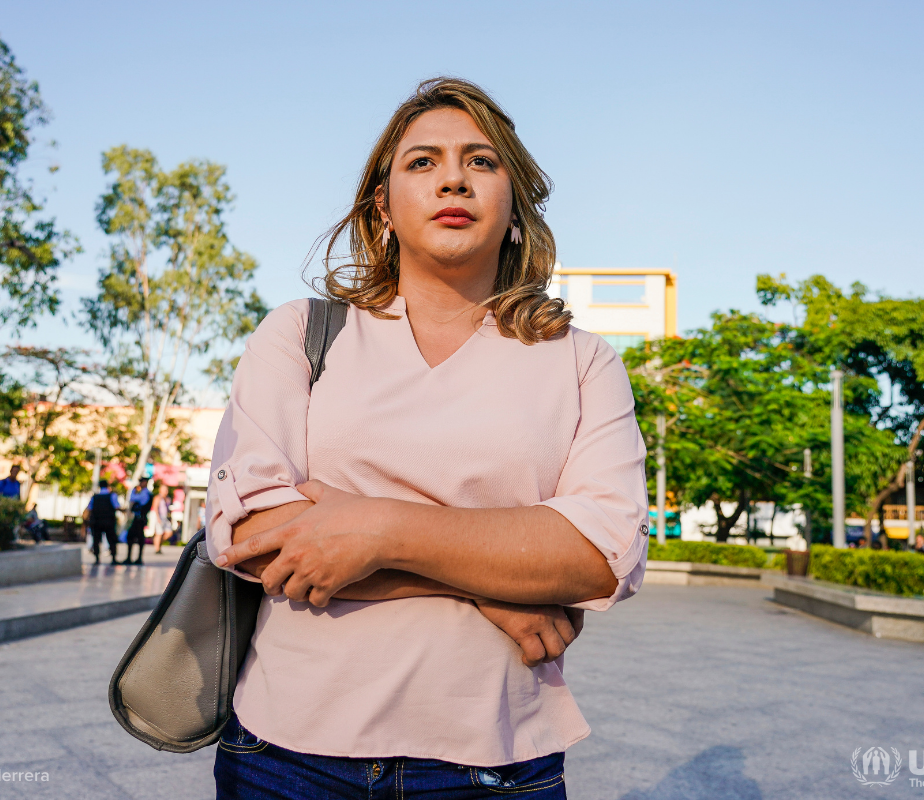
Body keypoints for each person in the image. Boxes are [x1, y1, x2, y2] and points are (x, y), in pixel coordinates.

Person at [205, 78, 647, 799]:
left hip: (496, 762)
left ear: (513, 205)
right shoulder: (302, 334)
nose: (452, 178)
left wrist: (372, 526)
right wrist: (492, 583)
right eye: (422, 162)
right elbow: (252, 530)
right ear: (383, 207)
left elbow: (601, 557)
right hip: (285, 755)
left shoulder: (579, 360)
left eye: (481, 161)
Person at [85, 479, 121, 565]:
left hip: (96, 522)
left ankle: (97, 559)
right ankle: (113, 558)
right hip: (109, 521)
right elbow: (116, 506)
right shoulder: (112, 495)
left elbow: (89, 508)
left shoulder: (95, 497)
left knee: (96, 540)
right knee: (111, 539)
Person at [124, 477, 153, 565]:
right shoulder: (143, 492)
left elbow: (134, 498)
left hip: (140, 518)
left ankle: (136, 558)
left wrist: (133, 491)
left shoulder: (145, 493)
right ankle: (132, 557)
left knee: (135, 537)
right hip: (138, 518)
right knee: (135, 537)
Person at [151, 485, 172, 554]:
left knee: (169, 533)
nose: (166, 492)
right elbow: (155, 508)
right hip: (159, 516)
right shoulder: (158, 498)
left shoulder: (167, 499)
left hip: (165, 517)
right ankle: (157, 549)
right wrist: (158, 518)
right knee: (159, 533)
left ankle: (159, 543)